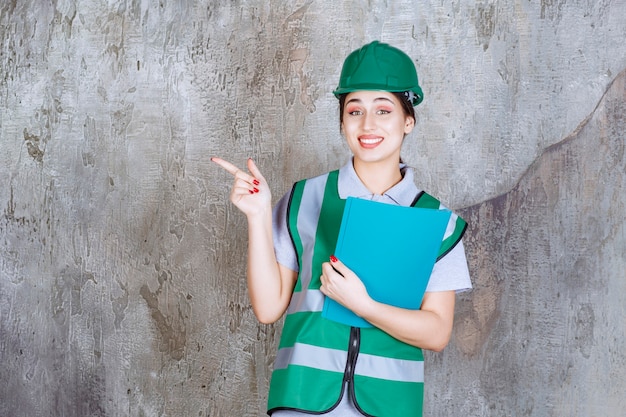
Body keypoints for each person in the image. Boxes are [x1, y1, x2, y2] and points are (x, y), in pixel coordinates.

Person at [212, 40, 471, 417]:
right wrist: (257, 215)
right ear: (342, 121)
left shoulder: (437, 222)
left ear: (408, 120)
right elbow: (268, 308)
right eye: (355, 111)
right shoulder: (304, 198)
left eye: (384, 110)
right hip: (301, 399)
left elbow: (436, 332)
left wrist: (363, 306)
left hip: (390, 405)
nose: (368, 125)